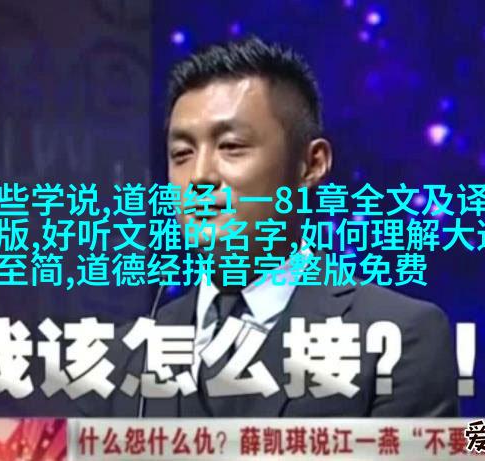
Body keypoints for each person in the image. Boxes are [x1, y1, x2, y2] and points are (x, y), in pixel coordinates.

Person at [100, 37, 458, 417]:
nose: (200, 176)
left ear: (312, 164)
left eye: (231, 146)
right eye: (181, 154)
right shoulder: (123, 357)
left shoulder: (398, 337)